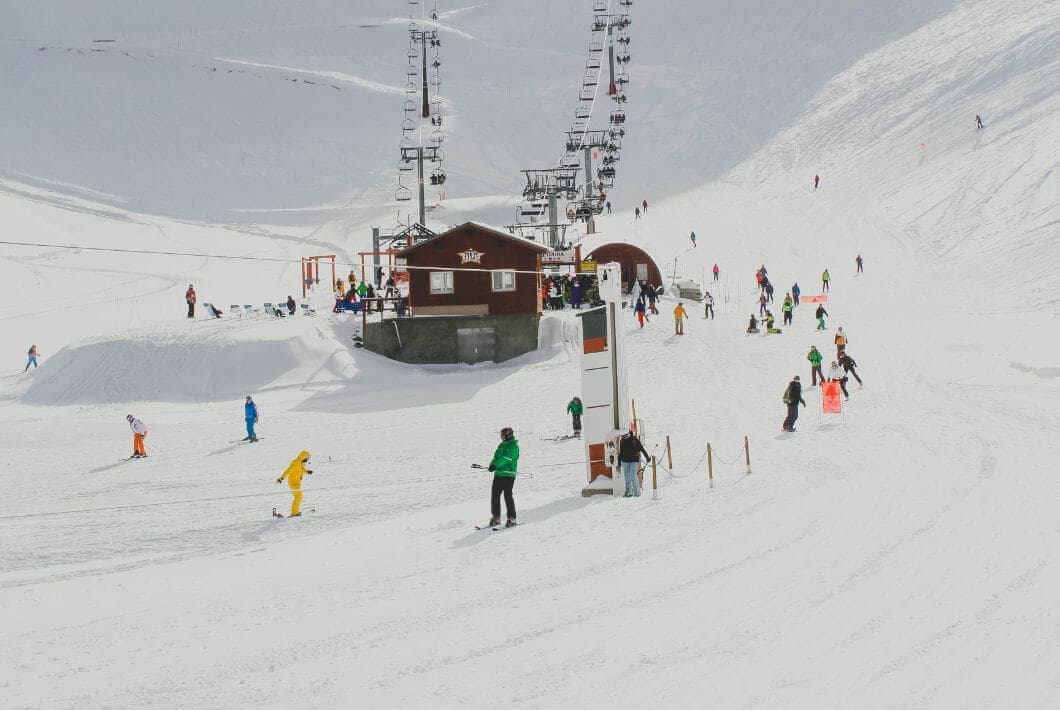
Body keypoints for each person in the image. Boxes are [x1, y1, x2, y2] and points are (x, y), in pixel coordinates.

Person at [486, 427, 520, 527]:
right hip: (499, 474)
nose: (501, 437)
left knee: (507, 495)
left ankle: (512, 518)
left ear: (508, 434)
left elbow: (507, 458)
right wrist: (491, 465)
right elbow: (496, 457)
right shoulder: (501, 445)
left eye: (503, 435)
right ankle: (496, 517)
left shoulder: (514, 446)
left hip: (508, 474)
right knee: (495, 495)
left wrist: (496, 465)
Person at [276, 450, 312, 517]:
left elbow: (301, 470)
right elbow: (288, 470)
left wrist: (307, 472)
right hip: (293, 483)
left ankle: (296, 512)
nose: (307, 460)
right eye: (306, 458)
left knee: (298, 497)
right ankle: (294, 513)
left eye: (308, 458)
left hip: (297, 483)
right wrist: (281, 478)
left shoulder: (302, 463)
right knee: (299, 496)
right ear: (303, 457)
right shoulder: (296, 462)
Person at [617, 428, 650, 497]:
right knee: (627, 477)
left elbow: (641, 449)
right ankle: (628, 492)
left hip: (634, 460)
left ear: (628, 434)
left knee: (633, 475)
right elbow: (621, 452)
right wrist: (619, 462)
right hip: (625, 460)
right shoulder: (622, 440)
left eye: (624, 435)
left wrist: (647, 457)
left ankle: (637, 493)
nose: (623, 437)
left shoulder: (634, 439)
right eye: (622, 436)